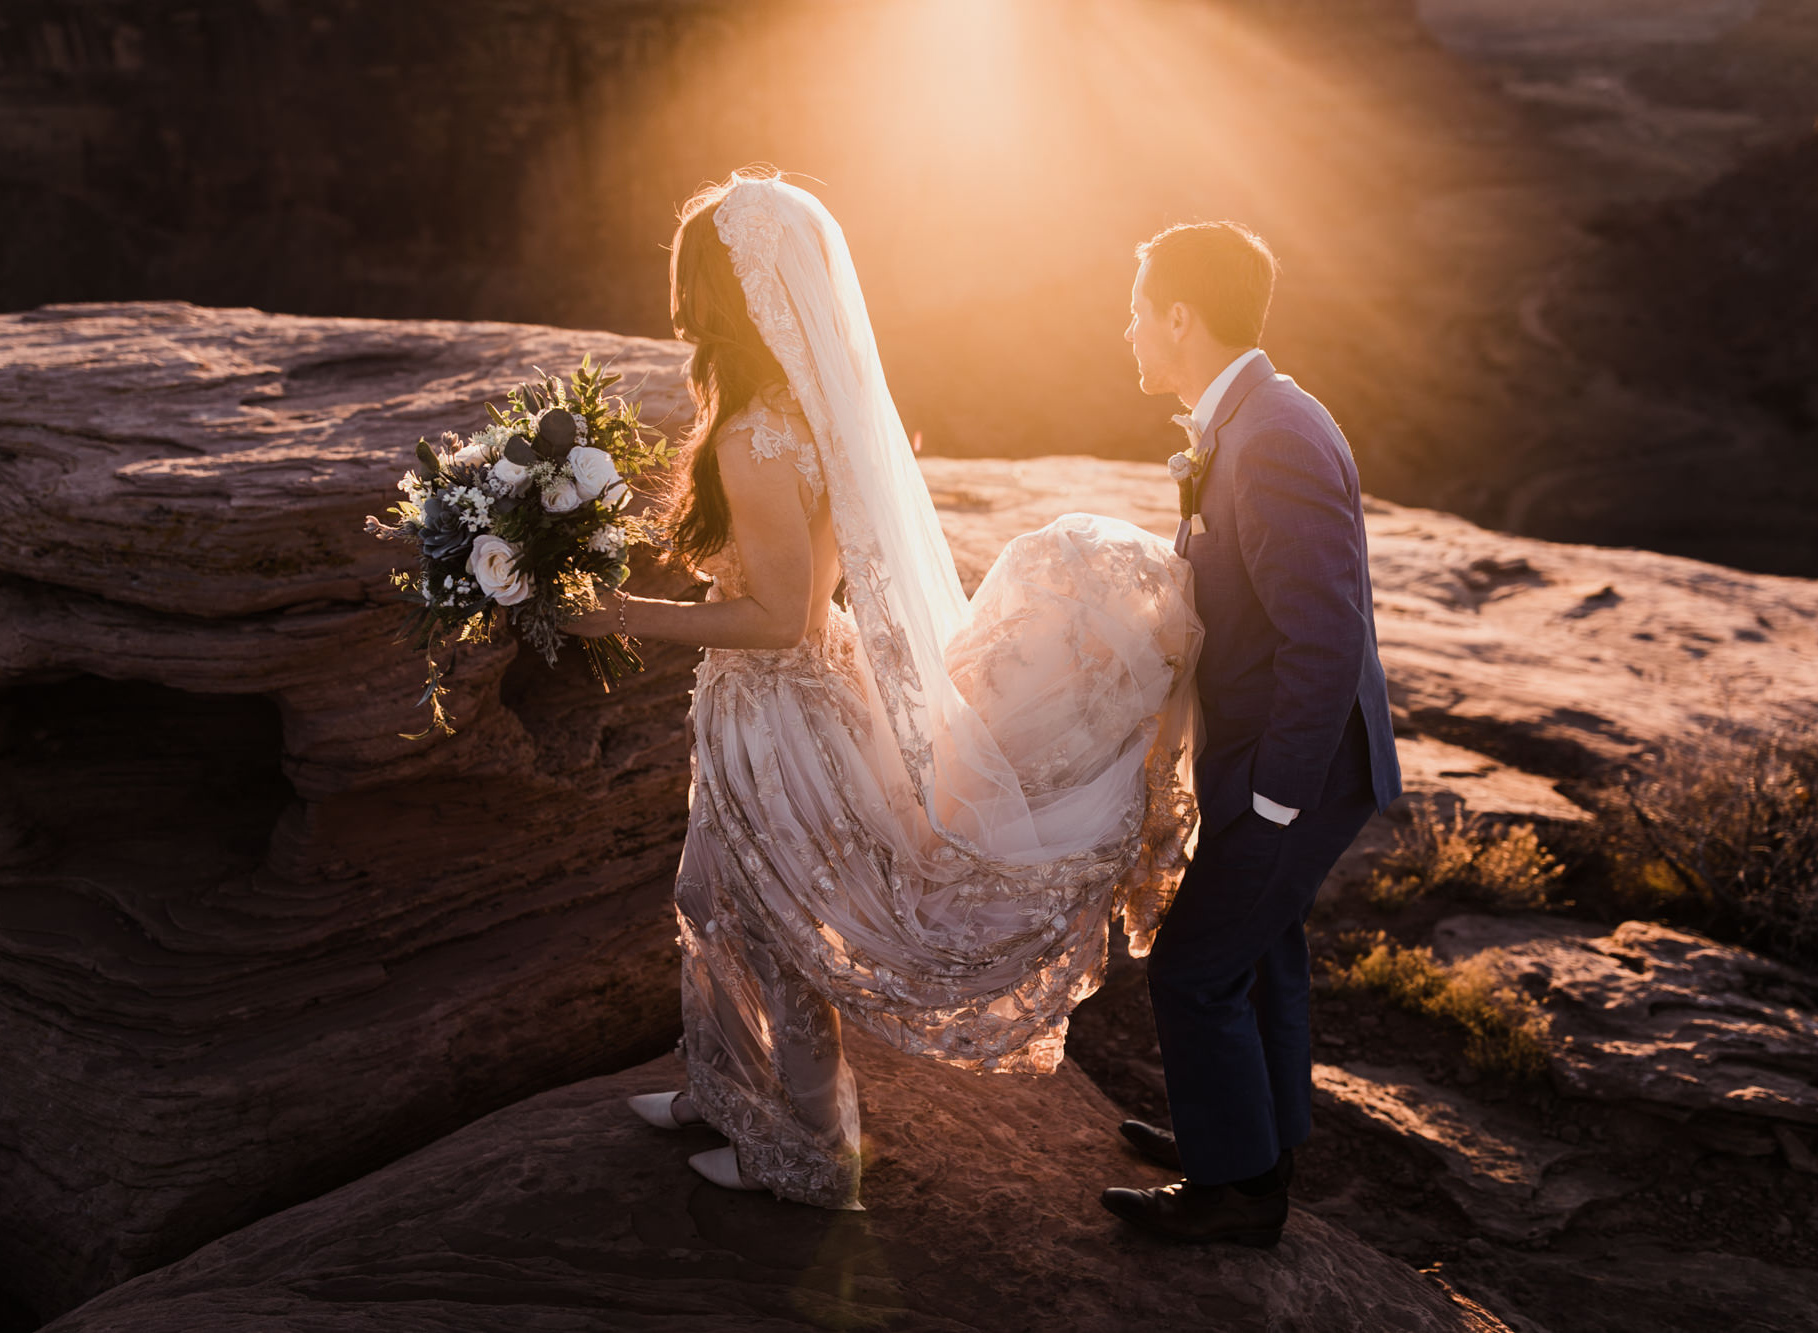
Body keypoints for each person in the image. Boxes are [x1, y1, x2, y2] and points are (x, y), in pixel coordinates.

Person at [569, 170, 1203, 1210]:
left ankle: (813, 1155)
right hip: (807, 685)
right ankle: (720, 1085)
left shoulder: (751, 435)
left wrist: (619, 615)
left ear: (719, 292)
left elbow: (778, 616)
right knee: (713, 897)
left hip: (774, 707)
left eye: (688, 278)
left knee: (775, 925)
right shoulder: (801, 407)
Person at [1098, 222, 1402, 1245]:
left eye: (1138, 308)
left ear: (1180, 317)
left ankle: (1234, 1199)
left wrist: (1273, 799)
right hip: (1272, 758)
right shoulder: (1249, 418)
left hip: (1297, 767)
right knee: (1259, 951)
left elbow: (1324, 637)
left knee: (1191, 964)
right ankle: (1249, 1146)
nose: (1127, 328)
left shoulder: (1271, 435)